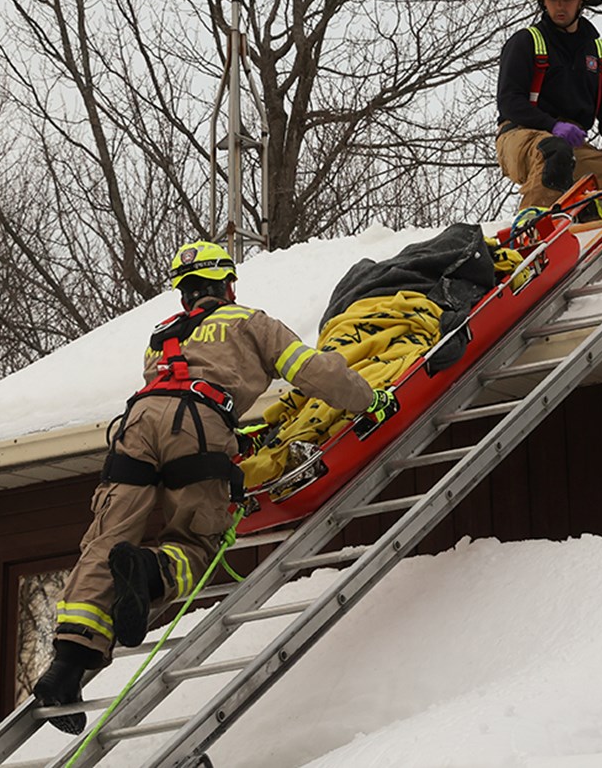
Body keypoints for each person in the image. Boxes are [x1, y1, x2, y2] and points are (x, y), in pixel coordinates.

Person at [31, 240, 396, 733]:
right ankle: (150, 571)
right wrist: (369, 398)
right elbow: (309, 372)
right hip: (197, 426)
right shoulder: (250, 321)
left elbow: (174, 397)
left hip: (134, 424)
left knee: (104, 542)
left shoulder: (162, 337)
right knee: (196, 544)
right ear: (228, 285)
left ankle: (65, 670)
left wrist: (230, 434)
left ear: (185, 296)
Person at [495, 0, 602, 211]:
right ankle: (534, 225)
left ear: (582, 0)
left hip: (571, 147)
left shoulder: (600, 54)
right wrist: (552, 125)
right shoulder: (526, 42)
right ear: (543, 1)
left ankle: (589, 213)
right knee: (554, 151)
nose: (560, 6)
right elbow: (509, 102)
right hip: (521, 136)